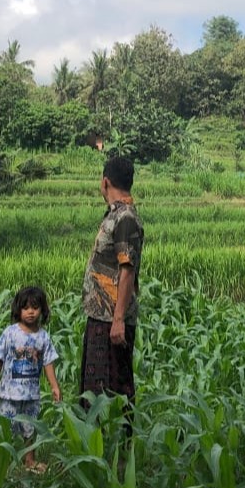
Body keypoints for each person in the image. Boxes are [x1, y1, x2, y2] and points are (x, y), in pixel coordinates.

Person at [80, 156, 144, 433]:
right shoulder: (116, 214)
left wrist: (118, 319)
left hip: (111, 319)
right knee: (95, 388)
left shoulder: (125, 218)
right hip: (101, 316)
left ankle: (120, 447)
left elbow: (127, 269)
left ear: (105, 181)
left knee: (115, 386)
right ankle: (98, 444)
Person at [0, 286, 61, 472]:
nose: (30, 312)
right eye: (26, 308)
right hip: (9, 393)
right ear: (18, 310)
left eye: (35, 308)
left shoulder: (43, 337)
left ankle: (30, 460)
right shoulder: (10, 333)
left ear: (42, 310)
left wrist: (54, 386)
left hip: (31, 394)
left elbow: (48, 362)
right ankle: (4, 462)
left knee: (30, 427)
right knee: (6, 427)